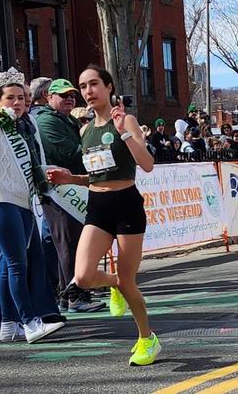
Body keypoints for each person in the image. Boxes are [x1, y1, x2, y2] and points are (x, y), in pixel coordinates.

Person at [46, 64, 161, 366]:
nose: (88, 92)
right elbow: (95, 176)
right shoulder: (85, 130)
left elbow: (147, 164)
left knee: (129, 280)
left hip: (126, 205)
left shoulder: (127, 120)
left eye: (94, 84)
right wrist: (71, 179)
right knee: (82, 277)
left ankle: (147, 338)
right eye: (83, 87)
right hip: (97, 208)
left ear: (109, 87)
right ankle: (116, 284)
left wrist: (123, 133)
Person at [0, 15, 64, 344]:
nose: (18, 103)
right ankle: (30, 322)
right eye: (11, 98)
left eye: (22, 97)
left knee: (11, 266)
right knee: (17, 263)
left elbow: (36, 159)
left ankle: (9, 324)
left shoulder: (29, 127)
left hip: (23, 201)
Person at [36, 78, 105, 313]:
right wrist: (101, 150)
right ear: (49, 97)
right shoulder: (46, 121)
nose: (69, 99)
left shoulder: (68, 121)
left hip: (70, 187)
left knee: (73, 243)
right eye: (63, 95)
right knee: (69, 244)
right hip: (57, 191)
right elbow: (70, 153)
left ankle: (69, 294)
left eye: (72, 96)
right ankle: (76, 296)